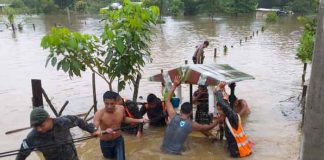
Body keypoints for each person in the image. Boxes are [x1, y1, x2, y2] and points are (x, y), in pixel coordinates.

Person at [161, 76, 221, 155]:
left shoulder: (173, 116)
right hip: (175, 154)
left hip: (163, 150)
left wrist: (175, 85)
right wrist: (218, 120)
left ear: (181, 110)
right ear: (191, 113)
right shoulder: (192, 124)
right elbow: (208, 127)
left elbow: (167, 100)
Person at [16, 108, 99, 160]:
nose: (39, 129)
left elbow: (78, 120)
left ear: (50, 119)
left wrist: (92, 130)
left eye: (42, 125)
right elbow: (22, 154)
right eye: (35, 126)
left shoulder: (63, 122)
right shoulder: (32, 137)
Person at [93, 91, 148, 160]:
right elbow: (94, 131)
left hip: (118, 140)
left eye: (112, 103)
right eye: (107, 103)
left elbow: (124, 119)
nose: (109, 106)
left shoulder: (121, 108)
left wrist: (139, 120)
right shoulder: (99, 114)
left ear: (116, 102)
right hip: (105, 143)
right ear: (104, 102)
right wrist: (104, 131)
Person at [215, 90, 252, 157]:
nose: (219, 112)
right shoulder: (226, 117)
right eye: (218, 110)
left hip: (240, 153)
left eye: (220, 110)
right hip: (238, 150)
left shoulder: (233, 117)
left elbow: (222, 103)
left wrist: (218, 91)